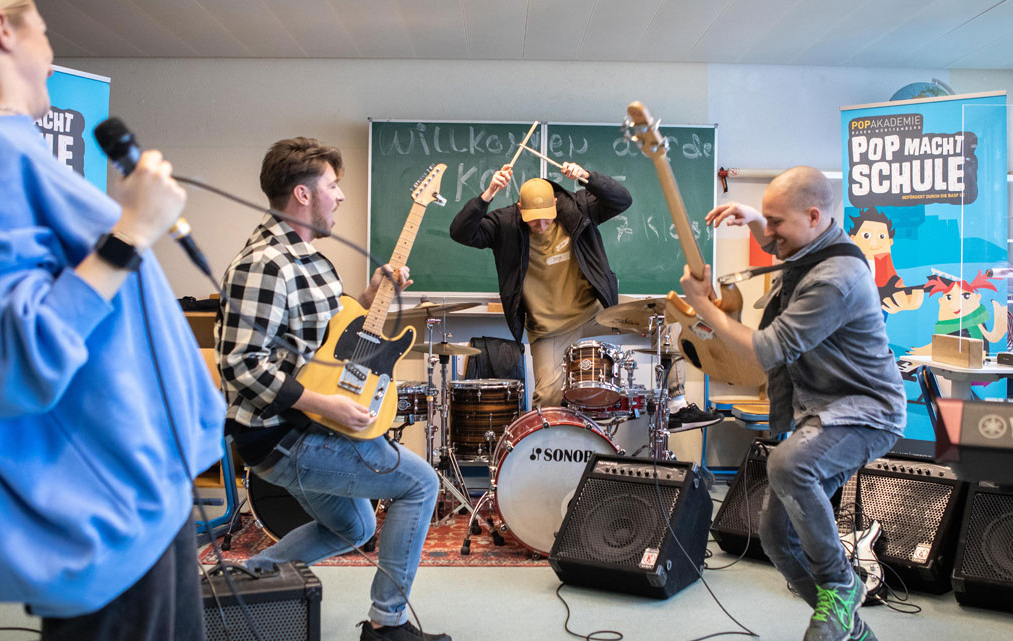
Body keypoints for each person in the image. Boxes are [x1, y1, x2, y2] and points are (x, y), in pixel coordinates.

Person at [0, 2, 223, 640]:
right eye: (39, 20)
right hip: (103, 515)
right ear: (2, 27)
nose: (49, 39)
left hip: (137, 500)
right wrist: (130, 232)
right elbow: (6, 359)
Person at [216, 137, 449, 641]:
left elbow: (332, 334)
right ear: (302, 195)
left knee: (358, 528)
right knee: (421, 483)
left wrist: (374, 294)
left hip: (311, 422)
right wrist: (329, 406)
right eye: (333, 185)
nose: (340, 196)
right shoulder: (264, 264)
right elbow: (239, 366)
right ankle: (387, 626)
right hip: (281, 434)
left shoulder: (312, 260)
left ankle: (237, 582)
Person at [683, 167, 906, 641]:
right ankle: (852, 628)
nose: (770, 233)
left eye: (776, 222)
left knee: (788, 466)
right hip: (823, 408)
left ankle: (841, 588)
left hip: (867, 410)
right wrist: (755, 219)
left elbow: (768, 349)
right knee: (776, 539)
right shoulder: (812, 246)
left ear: (813, 215)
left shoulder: (836, 278)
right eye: (767, 219)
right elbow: (782, 241)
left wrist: (704, 311)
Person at [449, 163, 722, 431]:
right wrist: (487, 195)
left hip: (597, 312)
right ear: (520, 210)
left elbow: (621, 200)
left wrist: (588, 177)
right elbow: (460, 232)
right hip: (549, 329)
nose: (541, 225)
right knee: (547, 400)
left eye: (547, 216)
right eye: (533, 218)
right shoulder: (504, 224)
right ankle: (546, 460)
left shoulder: (577, 209)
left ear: (556, 204)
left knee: (669, 314)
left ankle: (676, 405)